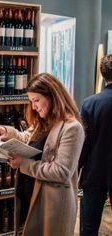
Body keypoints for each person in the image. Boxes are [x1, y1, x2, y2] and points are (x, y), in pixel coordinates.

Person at [0, 72, 85, 236]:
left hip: (52, 205)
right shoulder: (45, 120)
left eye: (37, 100)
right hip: (32, 197)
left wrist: (23, 164)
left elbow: (61, 172)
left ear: (53, 96)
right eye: (31, 101)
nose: (33, 107)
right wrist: (6, 131)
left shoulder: (72, 128)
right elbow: (27, 137)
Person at [79, 54, 112, 236]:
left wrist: (76, 170)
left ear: (102, 75)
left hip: (94, 172)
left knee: (89, 226)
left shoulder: (89, 104)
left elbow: (83, 143)